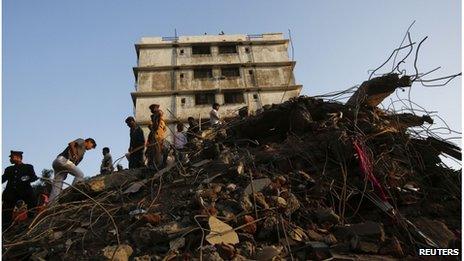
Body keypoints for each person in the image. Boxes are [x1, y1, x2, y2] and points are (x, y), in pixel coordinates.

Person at [2, 150, 38, 228]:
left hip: (25, 191)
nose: (10, 159)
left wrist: (27, 178)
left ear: (19, 157)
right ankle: (5, 228)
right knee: (6, 212)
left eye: (12, 157)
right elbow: (3, 179)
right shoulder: (8, 169)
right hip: (10, 193)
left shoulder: (28, 167)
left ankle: (31, 221)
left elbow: (34, 177)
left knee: (32, 202)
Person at [147, 104, 166, 168]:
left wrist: (152, 127)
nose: (151, 110)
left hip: (158, 136)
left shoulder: (158, 116)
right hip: (155, 136)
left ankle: (157, 164)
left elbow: (157, 127)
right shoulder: (155, 117)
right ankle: (153, 164)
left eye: (152, 108)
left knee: (157, 149)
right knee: (153, 150)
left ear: (156, 108)